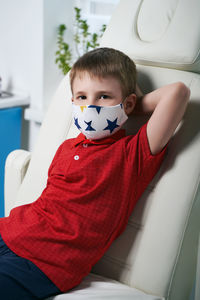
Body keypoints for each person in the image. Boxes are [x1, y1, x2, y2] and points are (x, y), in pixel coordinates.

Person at [0, 47, 190, 300]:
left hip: (43, 263)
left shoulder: (131, 154)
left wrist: (133, 107)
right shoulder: (68, 147)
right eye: (81, 97)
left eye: (103, 97)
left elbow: (178, 92)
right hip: (11, 230)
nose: (90, 105)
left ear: (128, 103)